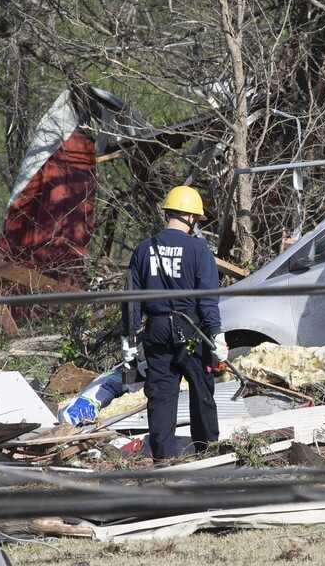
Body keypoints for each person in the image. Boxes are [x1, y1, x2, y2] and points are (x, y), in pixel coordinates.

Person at [128, 185, 227, 461]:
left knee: (161, 396)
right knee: (202, 393)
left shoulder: (143, 250)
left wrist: (130, 340)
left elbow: (130, 300)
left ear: (168, 213)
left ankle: (163, 461)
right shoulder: (198, 250)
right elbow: (207, 299)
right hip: (192, 329)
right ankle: (208, 455)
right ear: (191, 217)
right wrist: (217, 335)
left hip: (156, 330)